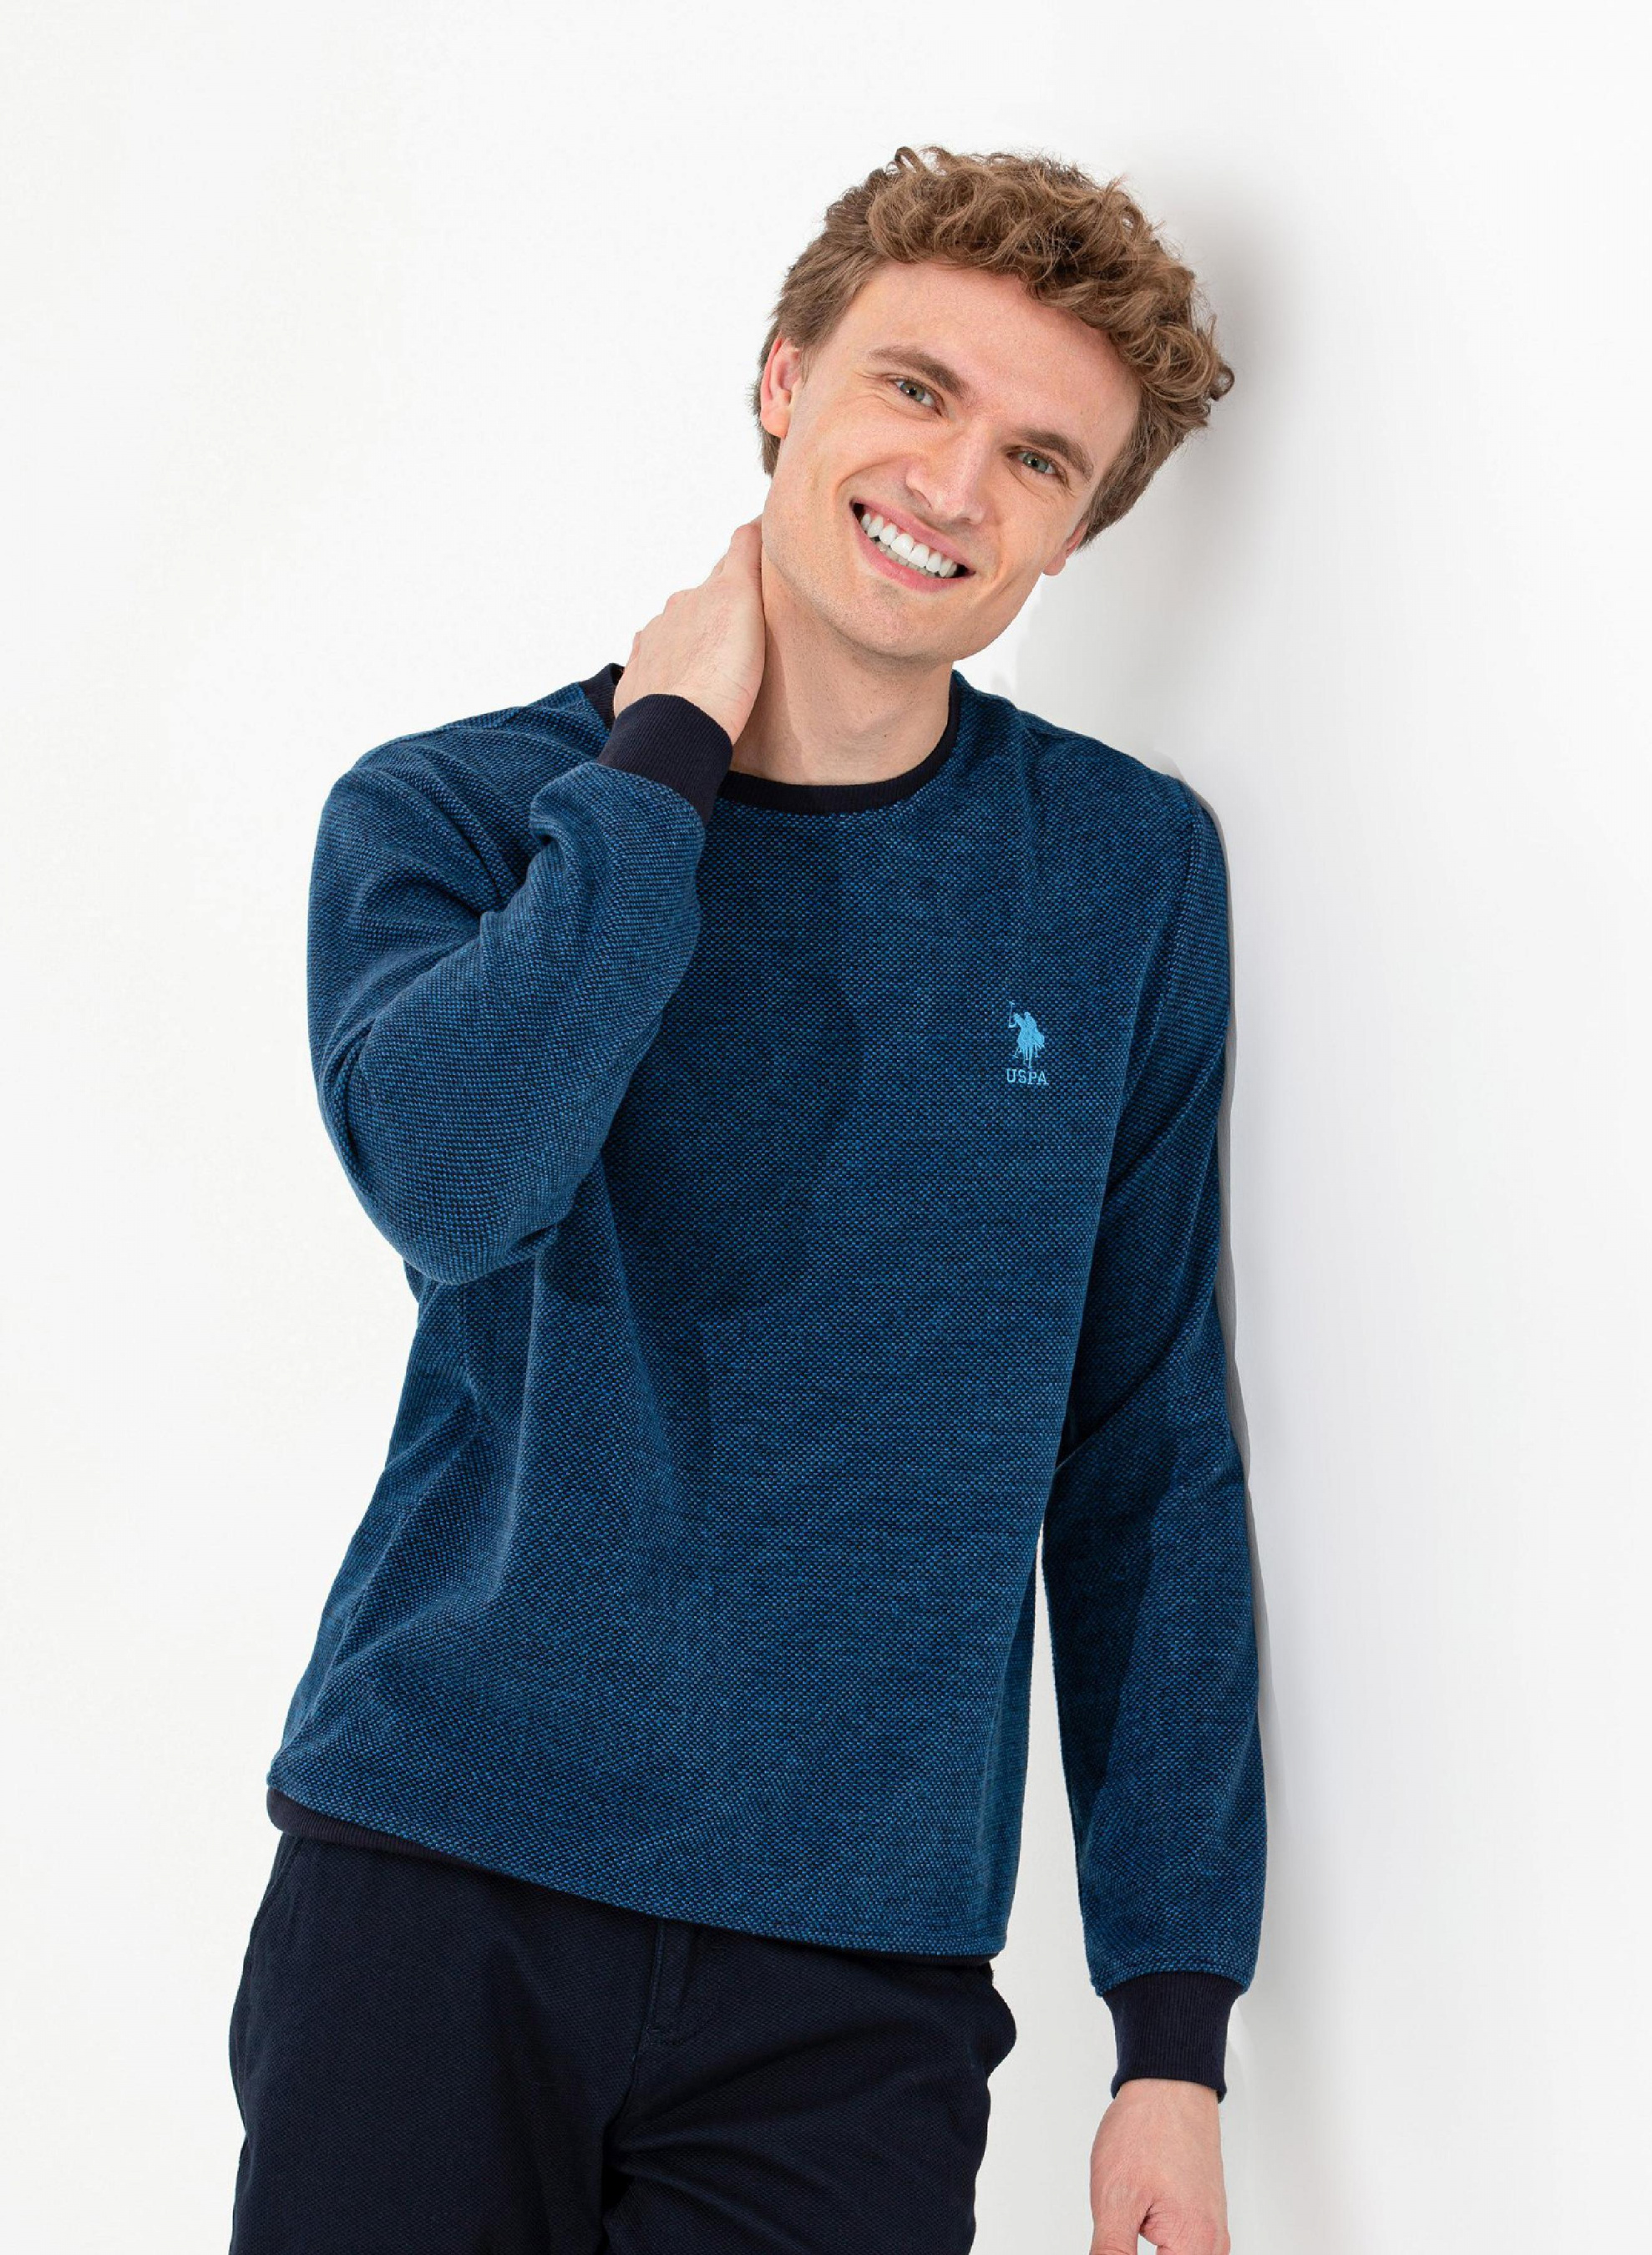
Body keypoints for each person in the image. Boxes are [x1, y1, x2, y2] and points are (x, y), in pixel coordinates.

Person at [226, 141, 1266, 2255]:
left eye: (1037, 459)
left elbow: (1142, 1443)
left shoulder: (1121, 873)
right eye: (913, 389)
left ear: (1077, 530)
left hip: (849, 1973)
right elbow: (459, 1183)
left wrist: (1168, 2033)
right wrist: (659, 772)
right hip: (434, 1886)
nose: (952, 485)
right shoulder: (458, 815)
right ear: (783, 379)